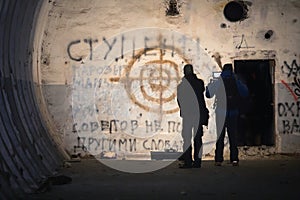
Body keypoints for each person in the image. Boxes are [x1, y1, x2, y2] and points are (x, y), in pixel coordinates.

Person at [206, 63, 248, 166]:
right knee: (233, 136)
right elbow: (245, 93)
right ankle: (234, 159)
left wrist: (212, 82)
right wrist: (237, 81)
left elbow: (208, 94)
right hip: (233, 112)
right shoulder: (235, 80)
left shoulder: (219, 79)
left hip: (220, 112)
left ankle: (218, 159)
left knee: (220, 136)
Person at [177, 64, 209, 168]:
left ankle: (188, 161)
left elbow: (179, 101)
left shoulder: (181, 86)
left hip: (187, 115)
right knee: (198, 138)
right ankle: (197, 161)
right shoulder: (199, 83)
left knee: (187, 139)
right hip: (198, 114)